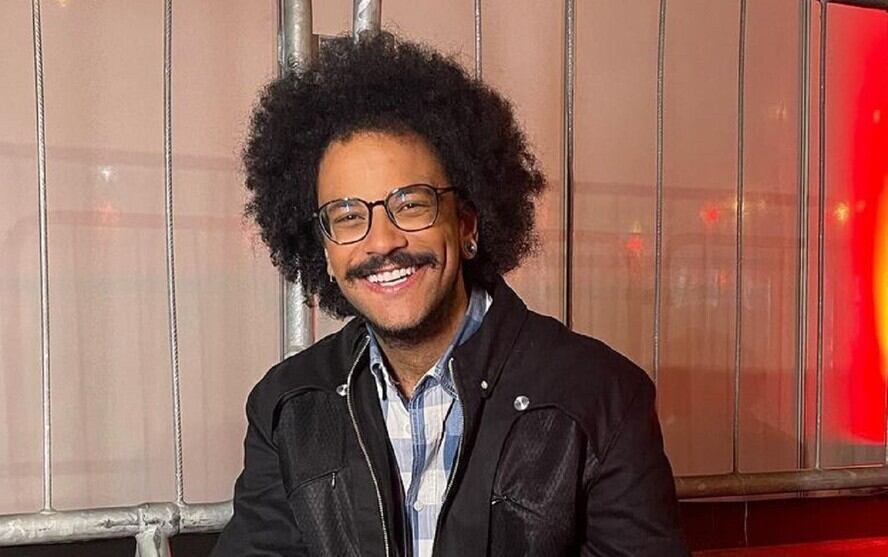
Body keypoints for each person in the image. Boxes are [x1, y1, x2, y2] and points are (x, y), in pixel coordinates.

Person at [212, 32, 688, 557]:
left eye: (411, 205)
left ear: (466, 225)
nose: (382, 242)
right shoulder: (287, 406)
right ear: (323, 250)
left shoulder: (602, 398)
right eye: (347, 217)